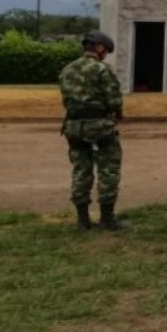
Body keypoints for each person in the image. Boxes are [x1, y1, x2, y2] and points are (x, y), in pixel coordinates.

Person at [58, 30, 124, 231]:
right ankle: (107, 219)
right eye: (106, 51)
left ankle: (83, 220)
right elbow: (114, 100)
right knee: (109, 169)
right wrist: (117, 113)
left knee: (81, 170)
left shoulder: (67, 70)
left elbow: (66, 100)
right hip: (99, 126)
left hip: (73, 126)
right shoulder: (102, 69)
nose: (106, 55)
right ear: (100, 47)